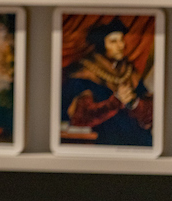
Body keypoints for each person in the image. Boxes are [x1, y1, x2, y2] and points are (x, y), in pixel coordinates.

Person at [62, 18, 154, 146]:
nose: (121, 45)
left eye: (121, 40)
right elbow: (81, 116)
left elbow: (150, 110)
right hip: (101, 141)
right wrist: (116, 101)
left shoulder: (129, 72)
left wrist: (134, 104)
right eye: (113, 41)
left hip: (137, 141)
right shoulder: (83, 74)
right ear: (101, 44)